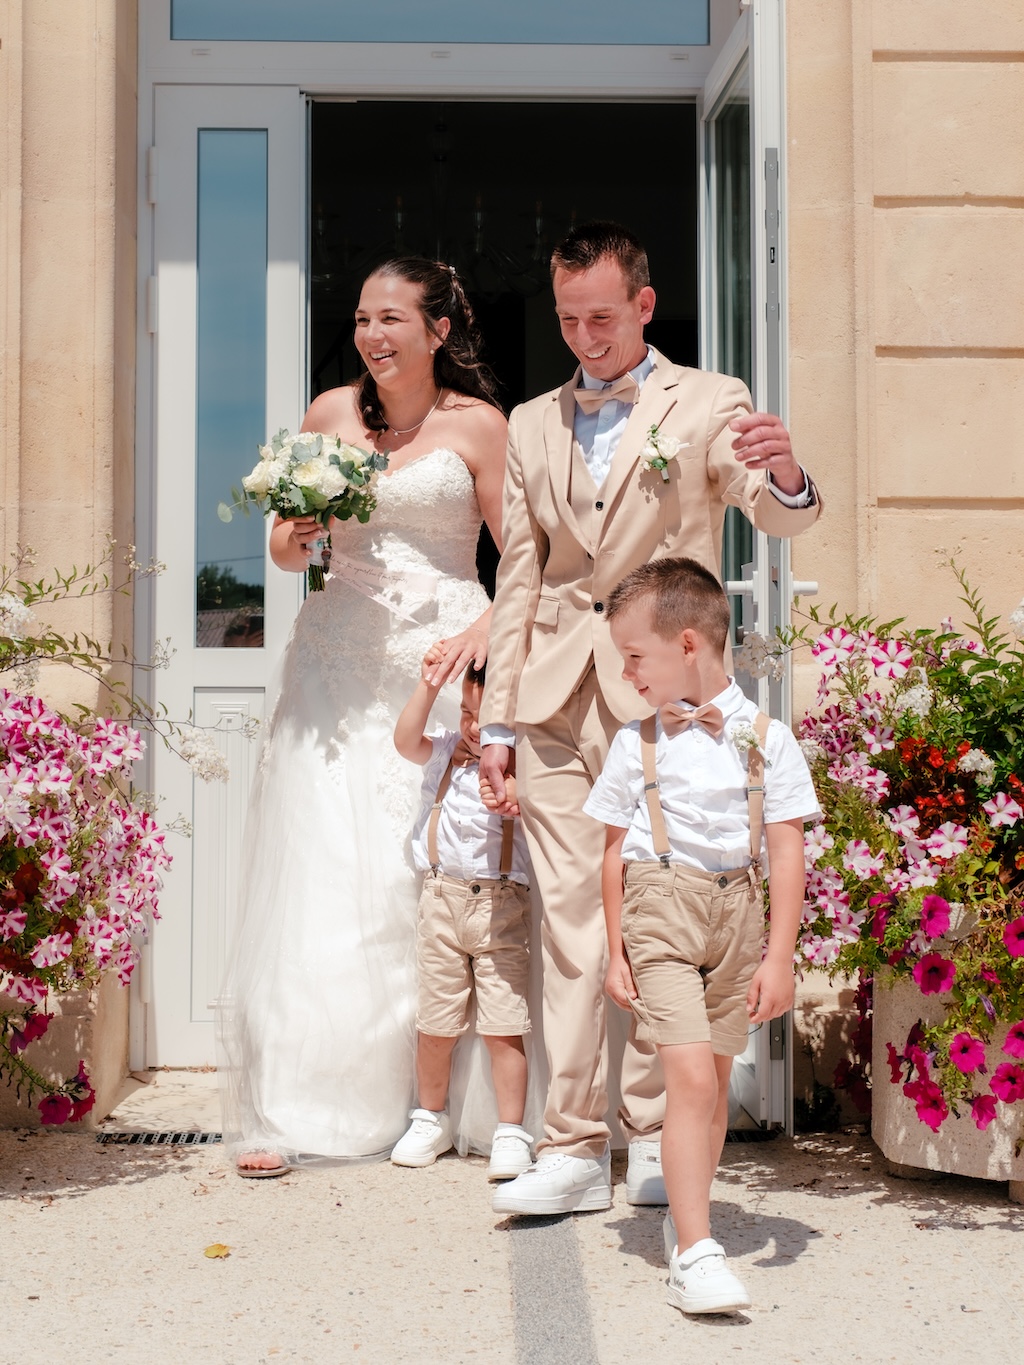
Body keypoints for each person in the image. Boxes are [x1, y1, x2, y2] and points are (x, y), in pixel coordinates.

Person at [481, 221, 821, 1216]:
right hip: (551, 698)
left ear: (642, 304)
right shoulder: (529, 419)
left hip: (661, 696)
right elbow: (520, 575)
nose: (583, 336)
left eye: (600, 315)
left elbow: (773, 507)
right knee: (573, 929)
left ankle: (651, 1138)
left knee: (656, 918)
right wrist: (497, 723)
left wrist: (788, 474)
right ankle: (574, 1145)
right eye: (565, 318)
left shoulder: (710, 401)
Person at [218, 257, 508, 1175]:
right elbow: (280, 544)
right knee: (322, 873)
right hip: (335, 669)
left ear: (439, 329)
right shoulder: (328, 415)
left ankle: (448, 1107)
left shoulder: (482, 427)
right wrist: (290, 536)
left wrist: (480, 636)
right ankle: (312, 1104)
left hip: (432, 666)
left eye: (391, 318)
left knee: (423, 876)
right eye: (361, 318)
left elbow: (528, 557)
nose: (373, 336)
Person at [583, 558, 819, 1313]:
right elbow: (614, 849)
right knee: (686, 1077)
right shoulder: (634, 742)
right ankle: (696, 1248)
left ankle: (691, 1220)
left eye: (635, 657)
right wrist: (616, 947)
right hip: (660, 911)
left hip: (736, 912)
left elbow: (785, 847)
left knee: (714, 1085)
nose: (627, 673)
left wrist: (780, 956)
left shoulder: (767, 737)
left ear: (689, 643)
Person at [390, 652, 534, 1179]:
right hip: (442, 901)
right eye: (467, 713)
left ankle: (511, 1129)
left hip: (502, 908)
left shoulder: (525, 767)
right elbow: (406, 741)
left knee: (504, 1024)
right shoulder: (448, 752)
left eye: (487, 716)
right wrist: (428, 689)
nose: (474, 726)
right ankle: (430, 1117)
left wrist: (520, 795)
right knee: (437, 1021)